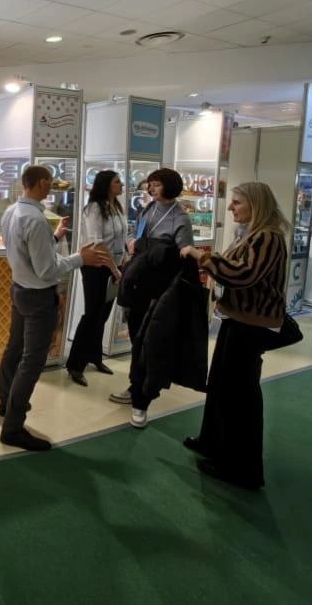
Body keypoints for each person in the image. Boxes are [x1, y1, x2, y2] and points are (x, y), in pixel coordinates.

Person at [180, 182, 289, 490]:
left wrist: (202, 257)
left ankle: (242, 468)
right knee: (220, 385)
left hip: (251, 324)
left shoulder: (268, 237)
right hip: (237, 319)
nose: (231, 207)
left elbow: (243, 275)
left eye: (237, 202)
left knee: (239, 394)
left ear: (256, 204)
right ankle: (213, 442)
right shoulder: (253, 234)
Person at [0, 165, 109, 451]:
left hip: (19, 289)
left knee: (14, 348)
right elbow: (46, 269)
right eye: (50, 182)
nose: (53, 187)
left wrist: (55, 237)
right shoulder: (35, 218)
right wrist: (80, 258)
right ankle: (13, 427)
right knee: (32, 361)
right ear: (41, 183)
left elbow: (26, 251)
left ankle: (6, 402)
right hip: (37, 296)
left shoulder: (12, 211)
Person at [109, 167, 194, 428]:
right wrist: (133, 241)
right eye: (151, 184)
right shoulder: (148, 209)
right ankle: (135, 385)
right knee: (137, 336)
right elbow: (137, 233)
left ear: (170, 186)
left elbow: (184, 250)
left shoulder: (180, 216)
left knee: (152, 341)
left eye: (157, 184)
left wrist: (174, 251)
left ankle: (141, 397)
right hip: (139, 283)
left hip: (161, 287)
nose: (151, 188)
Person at [66, 170, 125, 386]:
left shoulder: (116, 207)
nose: (121, 185)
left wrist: (122, 262)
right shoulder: (94, 209)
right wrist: (114, 269)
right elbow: (96, 243)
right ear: (106, 185)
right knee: (92, 314)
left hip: (114, 267)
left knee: (103, 314)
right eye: (117, 182)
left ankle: (94, 356)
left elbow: (119, 238)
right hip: (96, 267)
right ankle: (75, 364)